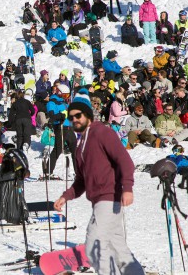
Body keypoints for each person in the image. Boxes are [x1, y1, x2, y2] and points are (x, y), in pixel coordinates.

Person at [53, 91, 145, 275]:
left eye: (78, 115)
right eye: (71, 118)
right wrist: (66, 196)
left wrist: (127, 187)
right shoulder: (80, 147)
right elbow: (81, 181)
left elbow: (124, 160)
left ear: (87, 115)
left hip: (109, 198)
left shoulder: (102, 132)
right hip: (100, 202)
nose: (75, 120)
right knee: (120, 251)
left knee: (94, 247)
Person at [46, 85, 77, 176]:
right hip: (60, 127)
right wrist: (61, 116)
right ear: (59, 92)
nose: (66, 97)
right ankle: (48, 171)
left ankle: (78, 173)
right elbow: (52, 116)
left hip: (69, 128)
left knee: (75, 150)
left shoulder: (64, 103)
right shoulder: (52, 103)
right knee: (58, 149)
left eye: (67, 96)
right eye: (65, 95)